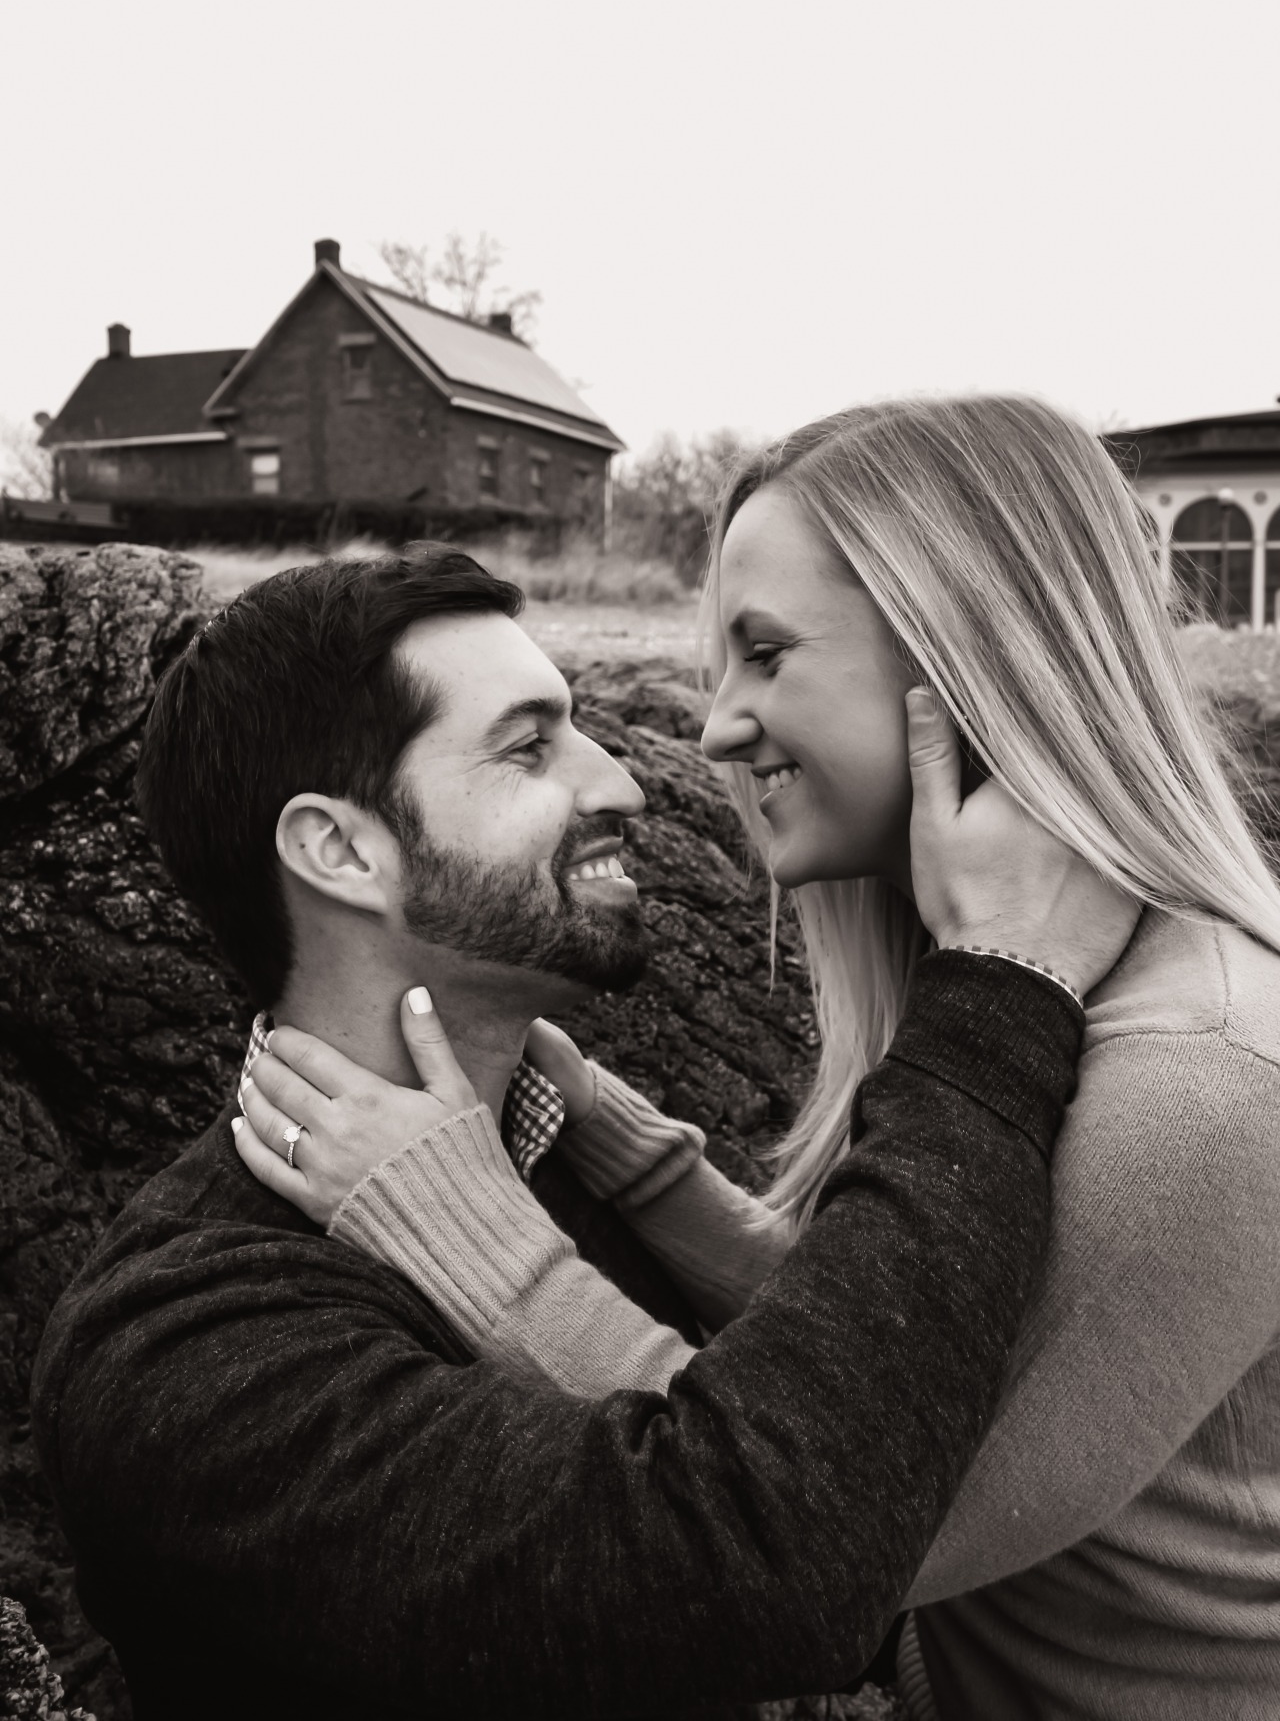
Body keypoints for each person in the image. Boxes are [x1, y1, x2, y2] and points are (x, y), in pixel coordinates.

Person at [241, 398, 1280, 1721]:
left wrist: (468, 1227)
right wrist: (623, 1151)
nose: (716, 728)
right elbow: (899, 1356)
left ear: (970, 661)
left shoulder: (1199, 1086)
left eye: (766, 654)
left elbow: (827, 1519)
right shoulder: (1057, 981)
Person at [29, 542, 1134, 1721]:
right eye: (527, 748)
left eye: (582, 730)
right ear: (340, 851)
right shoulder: (189, 1352)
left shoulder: (561, 1155)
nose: (621, 784)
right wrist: (997, 993)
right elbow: (767, 1565)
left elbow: (857, 1416)